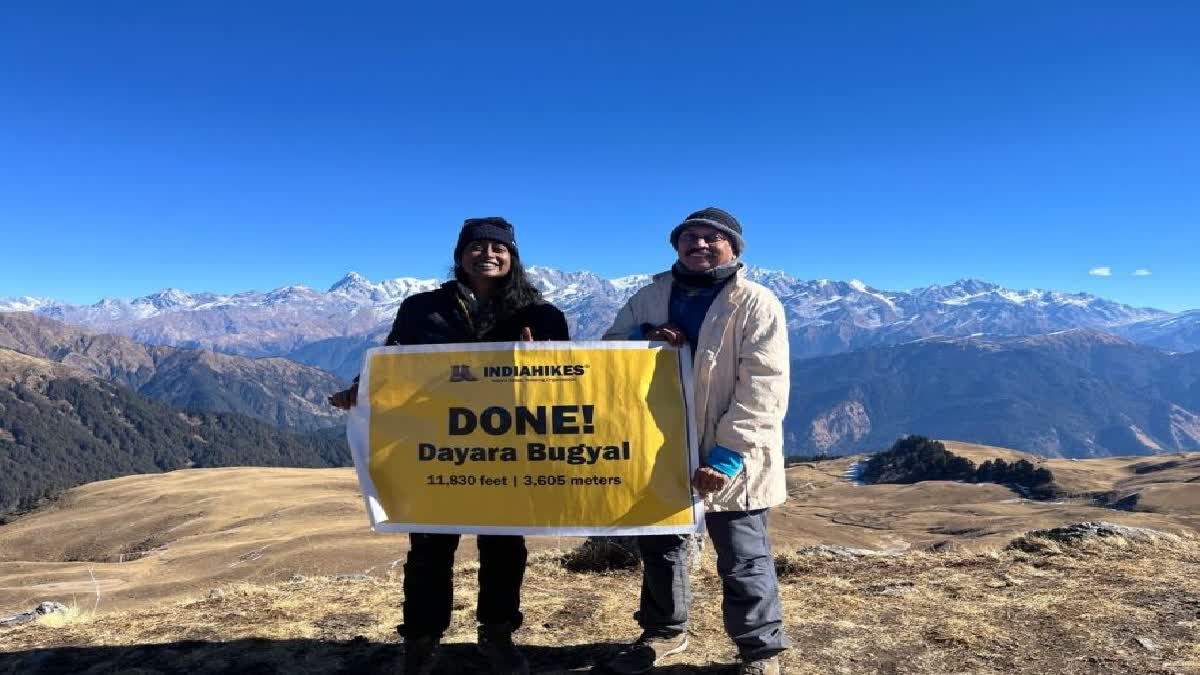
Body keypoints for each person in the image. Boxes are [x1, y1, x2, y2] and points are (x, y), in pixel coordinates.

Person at [329, 216, 569, 675]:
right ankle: (420, 640)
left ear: (512, 256)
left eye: (499, 248)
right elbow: (393, 363)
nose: (488, 254)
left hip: (506, 449)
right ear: (460, 255)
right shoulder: (423, 309)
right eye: (477, 247)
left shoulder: (542, 315)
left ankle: (497, 635)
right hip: (437, 446)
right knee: (429, 549)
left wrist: (542, 360)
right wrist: (360, 389)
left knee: (504, 547)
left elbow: (567, 385)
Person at [599, 207, 791, 675]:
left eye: (712, 238)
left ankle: (760, 651)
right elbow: (609, 347)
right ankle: (665, 631)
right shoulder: (650, 296)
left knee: (743, 555)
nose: (699, 245)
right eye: (690, 237)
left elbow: (763, 387)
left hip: (732, 454)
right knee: (662, 548)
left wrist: (726, 458)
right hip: (659, 445)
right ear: (676, 246)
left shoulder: (755, 303)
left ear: (734, 248)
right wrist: (646, 335)